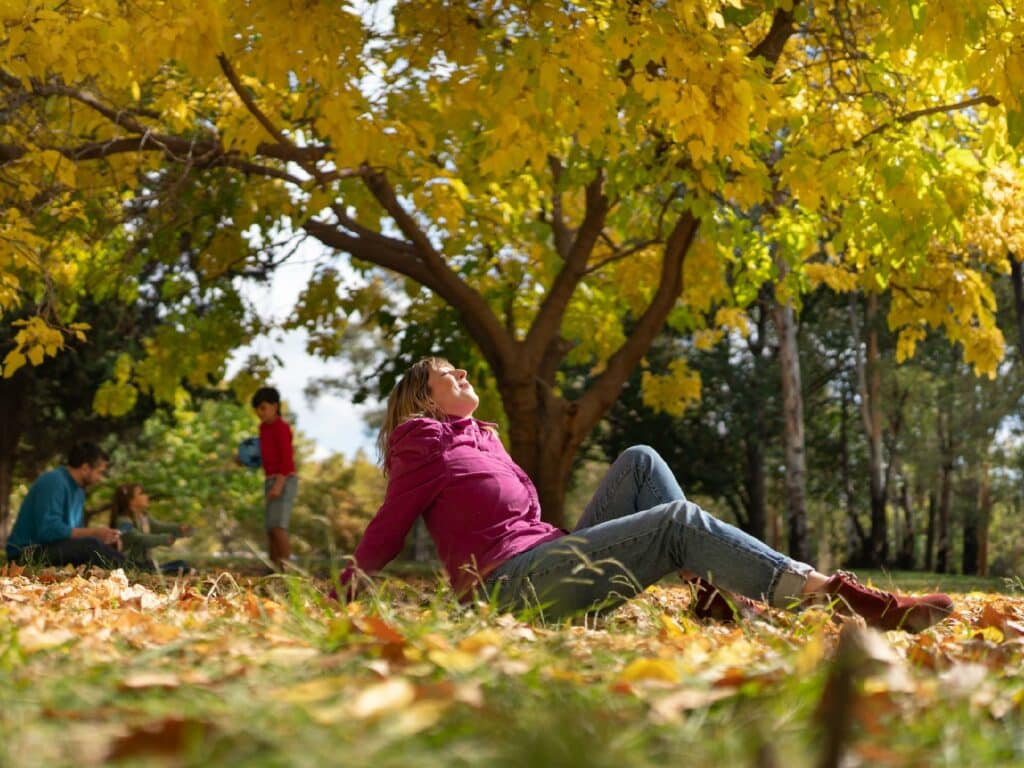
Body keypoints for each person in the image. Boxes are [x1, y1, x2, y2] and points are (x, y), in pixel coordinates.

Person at [338, 357, 954, 633]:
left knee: (641, 461)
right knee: (675, 520)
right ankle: (833, 594)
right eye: (449, 373)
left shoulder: (483, 440)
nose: (464, 374)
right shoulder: (421, 443)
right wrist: (344, 591)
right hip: (510, 588)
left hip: (548, 559)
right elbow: (388, 528)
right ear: (424, 397)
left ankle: (712, 596)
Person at [5, 441, 127, 568]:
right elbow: (48, 531)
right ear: (85, 468)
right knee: (90, 545)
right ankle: (133, 568)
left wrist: (104, 540)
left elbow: (75, 536)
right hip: (25, 554)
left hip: (52, 549)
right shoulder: (54, 481)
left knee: (95, 545)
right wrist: (94, 533)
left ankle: (135, 567)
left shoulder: (79, 491)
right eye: (100, 472)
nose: (100, 478)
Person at [251, 386, 298, 570]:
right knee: (270, 528)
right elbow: (263, 456)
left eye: (263, 407)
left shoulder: (282, 428)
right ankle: (273, 569)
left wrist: (278, 485)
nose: (259, 412)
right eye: (257, 409)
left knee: (278, 526)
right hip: (270, 480)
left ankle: (286, 570)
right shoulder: (263, 428)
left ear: (275, 406)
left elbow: (286, 460)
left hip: (284, 479)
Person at [110, 483, 192, 574]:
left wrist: (179, 528)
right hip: (134, 566)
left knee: (182, 563)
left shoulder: (143, 517)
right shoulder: (123, 522)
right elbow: (139, 539)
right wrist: (164, 539)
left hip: (147, 564)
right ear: (130, 501)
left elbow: (159, 527)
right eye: (141, 493)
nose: (146, 496)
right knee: (182, 568)